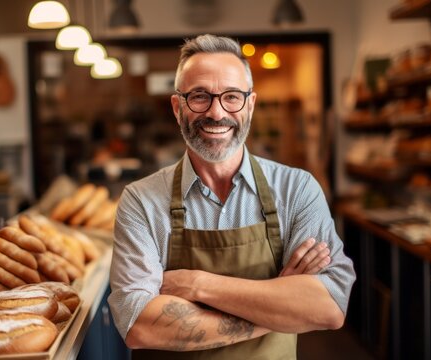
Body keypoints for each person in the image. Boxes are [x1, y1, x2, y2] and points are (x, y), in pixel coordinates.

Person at [108, 34, 356, 359]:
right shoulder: (141, 202)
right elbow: (139, 325)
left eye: (232, 97)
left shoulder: (297, 189)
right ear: (177, 106)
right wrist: (278, 308)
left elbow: (329, 307)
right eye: (199, 96)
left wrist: (198, 284)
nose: (216, 112)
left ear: (250, 104)